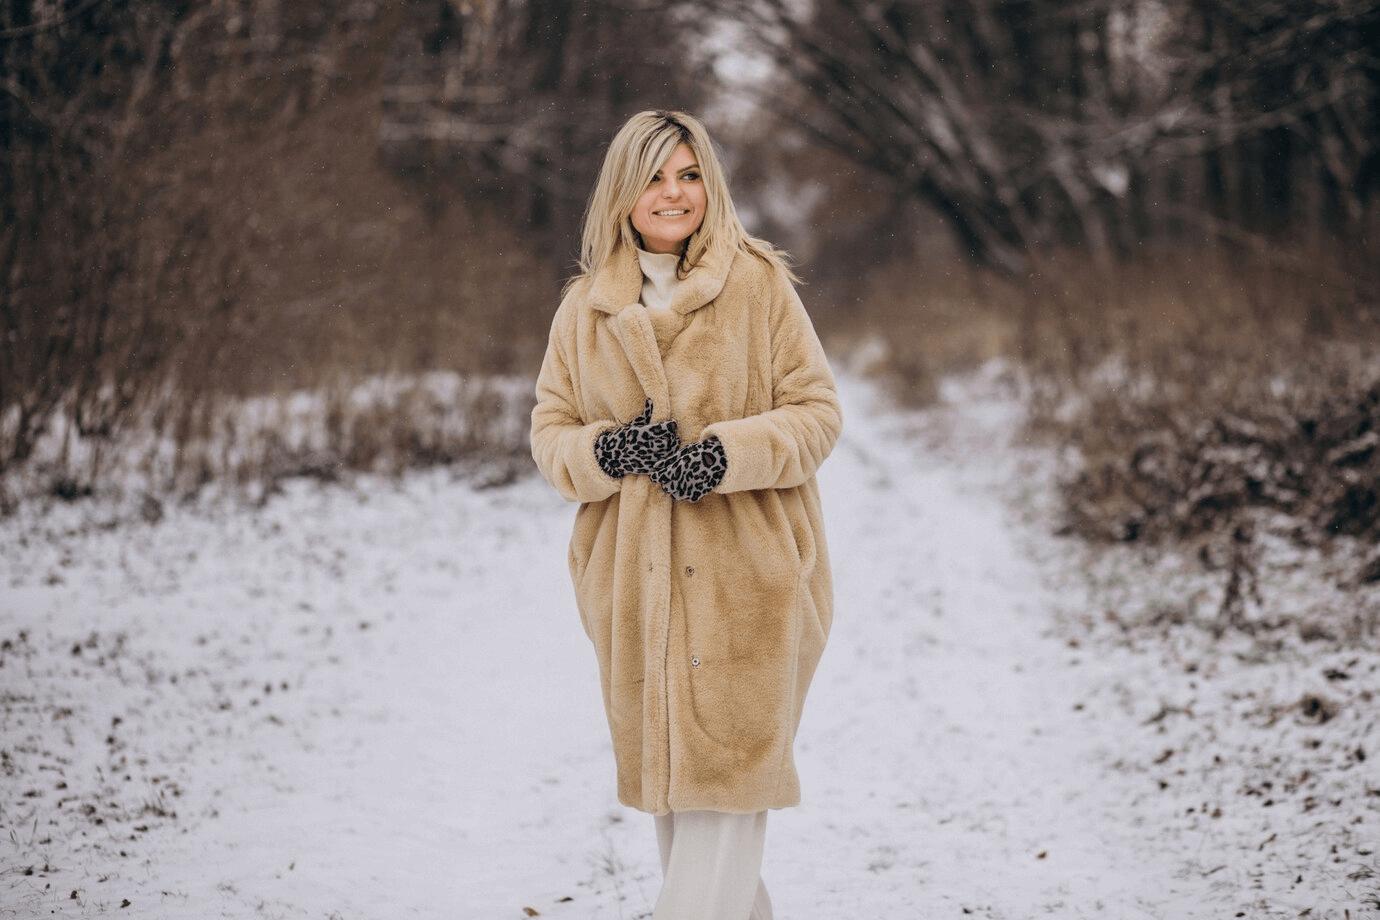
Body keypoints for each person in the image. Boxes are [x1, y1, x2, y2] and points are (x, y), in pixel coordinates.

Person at [529, 109, 843, 920]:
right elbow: (550, 434)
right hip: (636, 591)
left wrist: (726, 455)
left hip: (751, 584)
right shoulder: (584, 310)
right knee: (683, 810)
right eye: (656, 178)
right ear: (623, 192)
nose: (675, 194)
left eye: (690, 175)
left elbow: (817, 413)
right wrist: (607, 452)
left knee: (727, 801)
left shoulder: (758, 284)